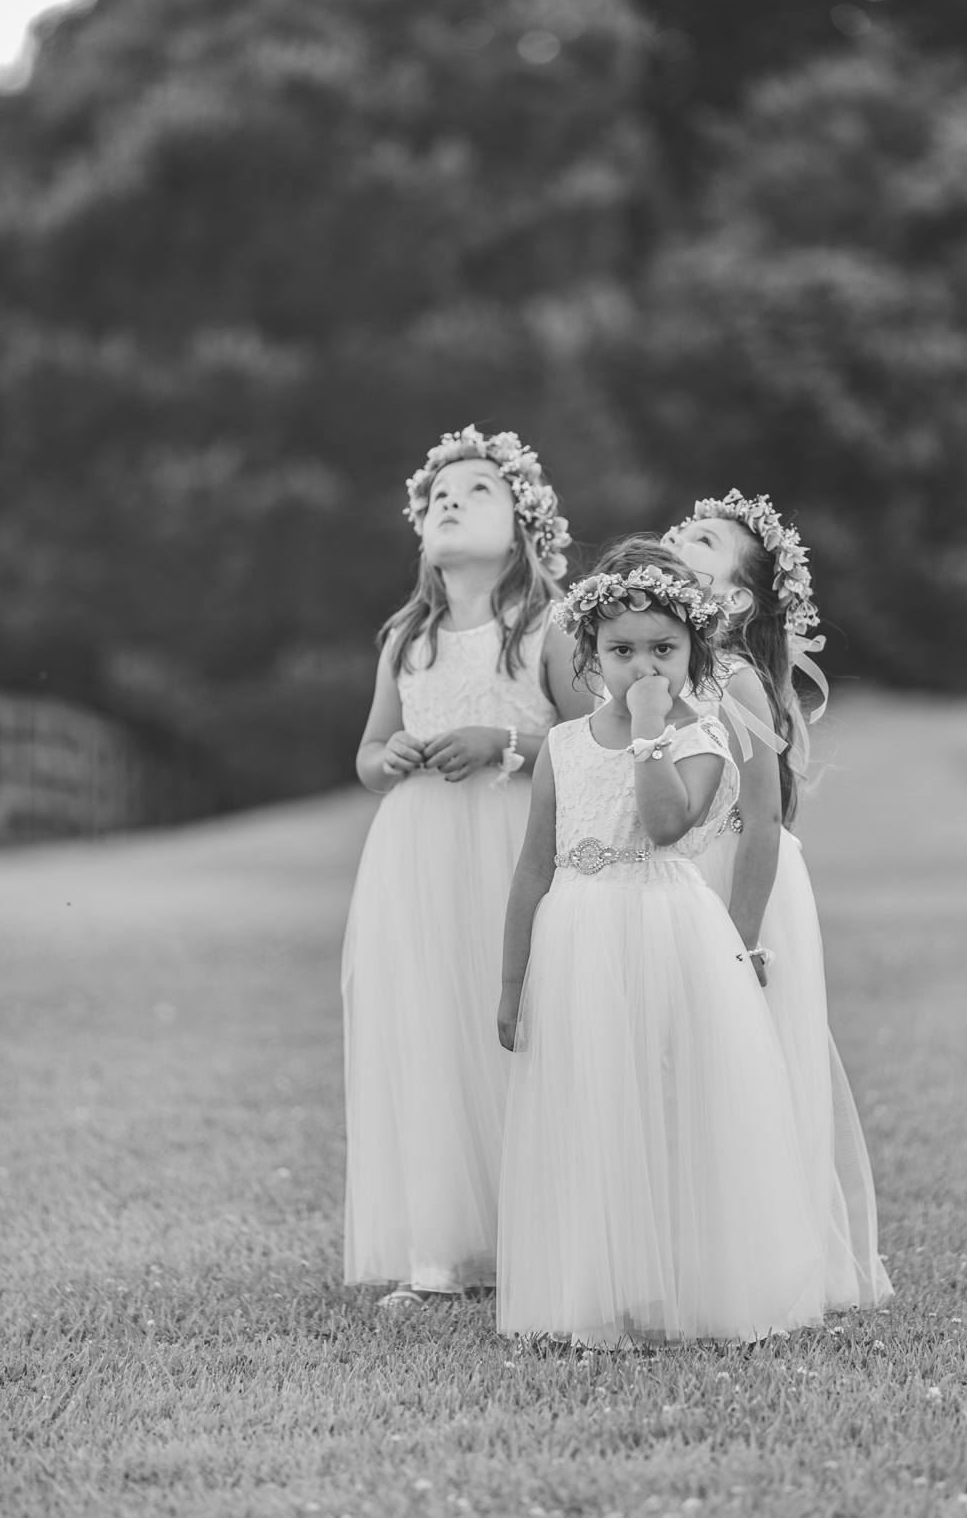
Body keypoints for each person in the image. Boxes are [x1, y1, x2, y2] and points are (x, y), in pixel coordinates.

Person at [496, 540, 825, 1347]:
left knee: (663, 1099)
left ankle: (682, 1281)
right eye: (621, 650)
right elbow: (531, 868)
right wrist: (510, 983)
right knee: (593, 1103)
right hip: (575, 939)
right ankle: (604, 1288)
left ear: (693, 653)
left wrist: (650, 733)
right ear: (589, 656)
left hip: (663, 931)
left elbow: (666, 821)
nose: (643, 665)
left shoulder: (702, 738)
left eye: (663, 650)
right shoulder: (565, 750)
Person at [342, 426, 589, 1306]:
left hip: (511, 852)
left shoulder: (546, 630)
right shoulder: (407, 637)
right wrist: (391, 758)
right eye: (438, 494)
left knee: (521, 1020)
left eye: (478, 489)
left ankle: (541, 1231)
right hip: (416, 862)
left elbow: (591, 742)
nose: (451, 499)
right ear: (420, 532)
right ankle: (443, 1254)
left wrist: (504, 742)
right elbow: (368, 753)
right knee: (430, 1031)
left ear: (524, 525)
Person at [664, 493, 893, 1310]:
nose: (670, 540)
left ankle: (768, 1255)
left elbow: (761, 821)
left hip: (740, 883)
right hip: (677, 879)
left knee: (750, 1062)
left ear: (733, 600)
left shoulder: (730, 681)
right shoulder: (655, 668)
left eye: (699, 539)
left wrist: (739, 941)